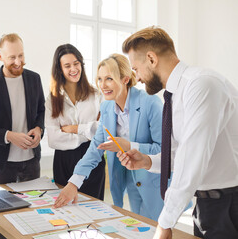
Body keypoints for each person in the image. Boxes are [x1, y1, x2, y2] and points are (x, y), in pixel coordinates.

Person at [118, 26, 238, 239]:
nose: (137, 78)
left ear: (151, 59)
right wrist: (147, 161)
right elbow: (178, 155)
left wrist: (164, 223)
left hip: (228, 205)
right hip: (205, 204)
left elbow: (192, 158)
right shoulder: (173, 96)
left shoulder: (201, 85)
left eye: (136, 69)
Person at [54, 53, 165, 221]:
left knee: (154, 231)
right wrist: (73, 183)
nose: (102, 85)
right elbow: (95, 148)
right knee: (139, 231)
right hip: (129, 181)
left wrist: (128, 146)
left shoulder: (151, 103)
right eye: (99, 79)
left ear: (125, 79)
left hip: (154, 183)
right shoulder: (106, 107)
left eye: (109, 79)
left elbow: (164, 150)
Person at [0, 33, 45, 187]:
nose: (18, 62)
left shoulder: (35, 79)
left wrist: (39, 129)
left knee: (33, 208)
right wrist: (9, 136)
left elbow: (41, 110)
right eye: (12, 57)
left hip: (32, 161)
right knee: (4, 210)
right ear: (0, 56)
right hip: (2, 165)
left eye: (21, 55)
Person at [45, 44, 105, 200]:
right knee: (66, 212)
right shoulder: (52, 99)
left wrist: (74, 129)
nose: (73, 69)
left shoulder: (96, 95)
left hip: (92, 156)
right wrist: (87, 132)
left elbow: (103, 129)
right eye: (67, 65)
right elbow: (53, 139)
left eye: (76, 63)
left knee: (92, 209)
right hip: (63, 161)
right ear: (60, 69)